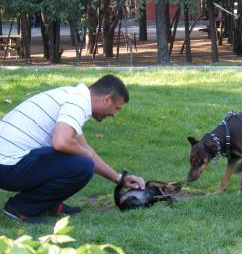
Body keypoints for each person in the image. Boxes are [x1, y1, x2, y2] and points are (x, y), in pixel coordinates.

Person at [0, 74, 145, 223]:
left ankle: (47, 204)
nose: (114, 114)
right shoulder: (78, 102)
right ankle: (21, 208)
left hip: (8, 164)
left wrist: (118, 178)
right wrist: (86, 155)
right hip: (7, 167)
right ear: (107, 99)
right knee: (83, 165)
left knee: (81, 159)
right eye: (116, 108)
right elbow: (61, 142)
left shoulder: (74, 96)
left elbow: (83, 147)